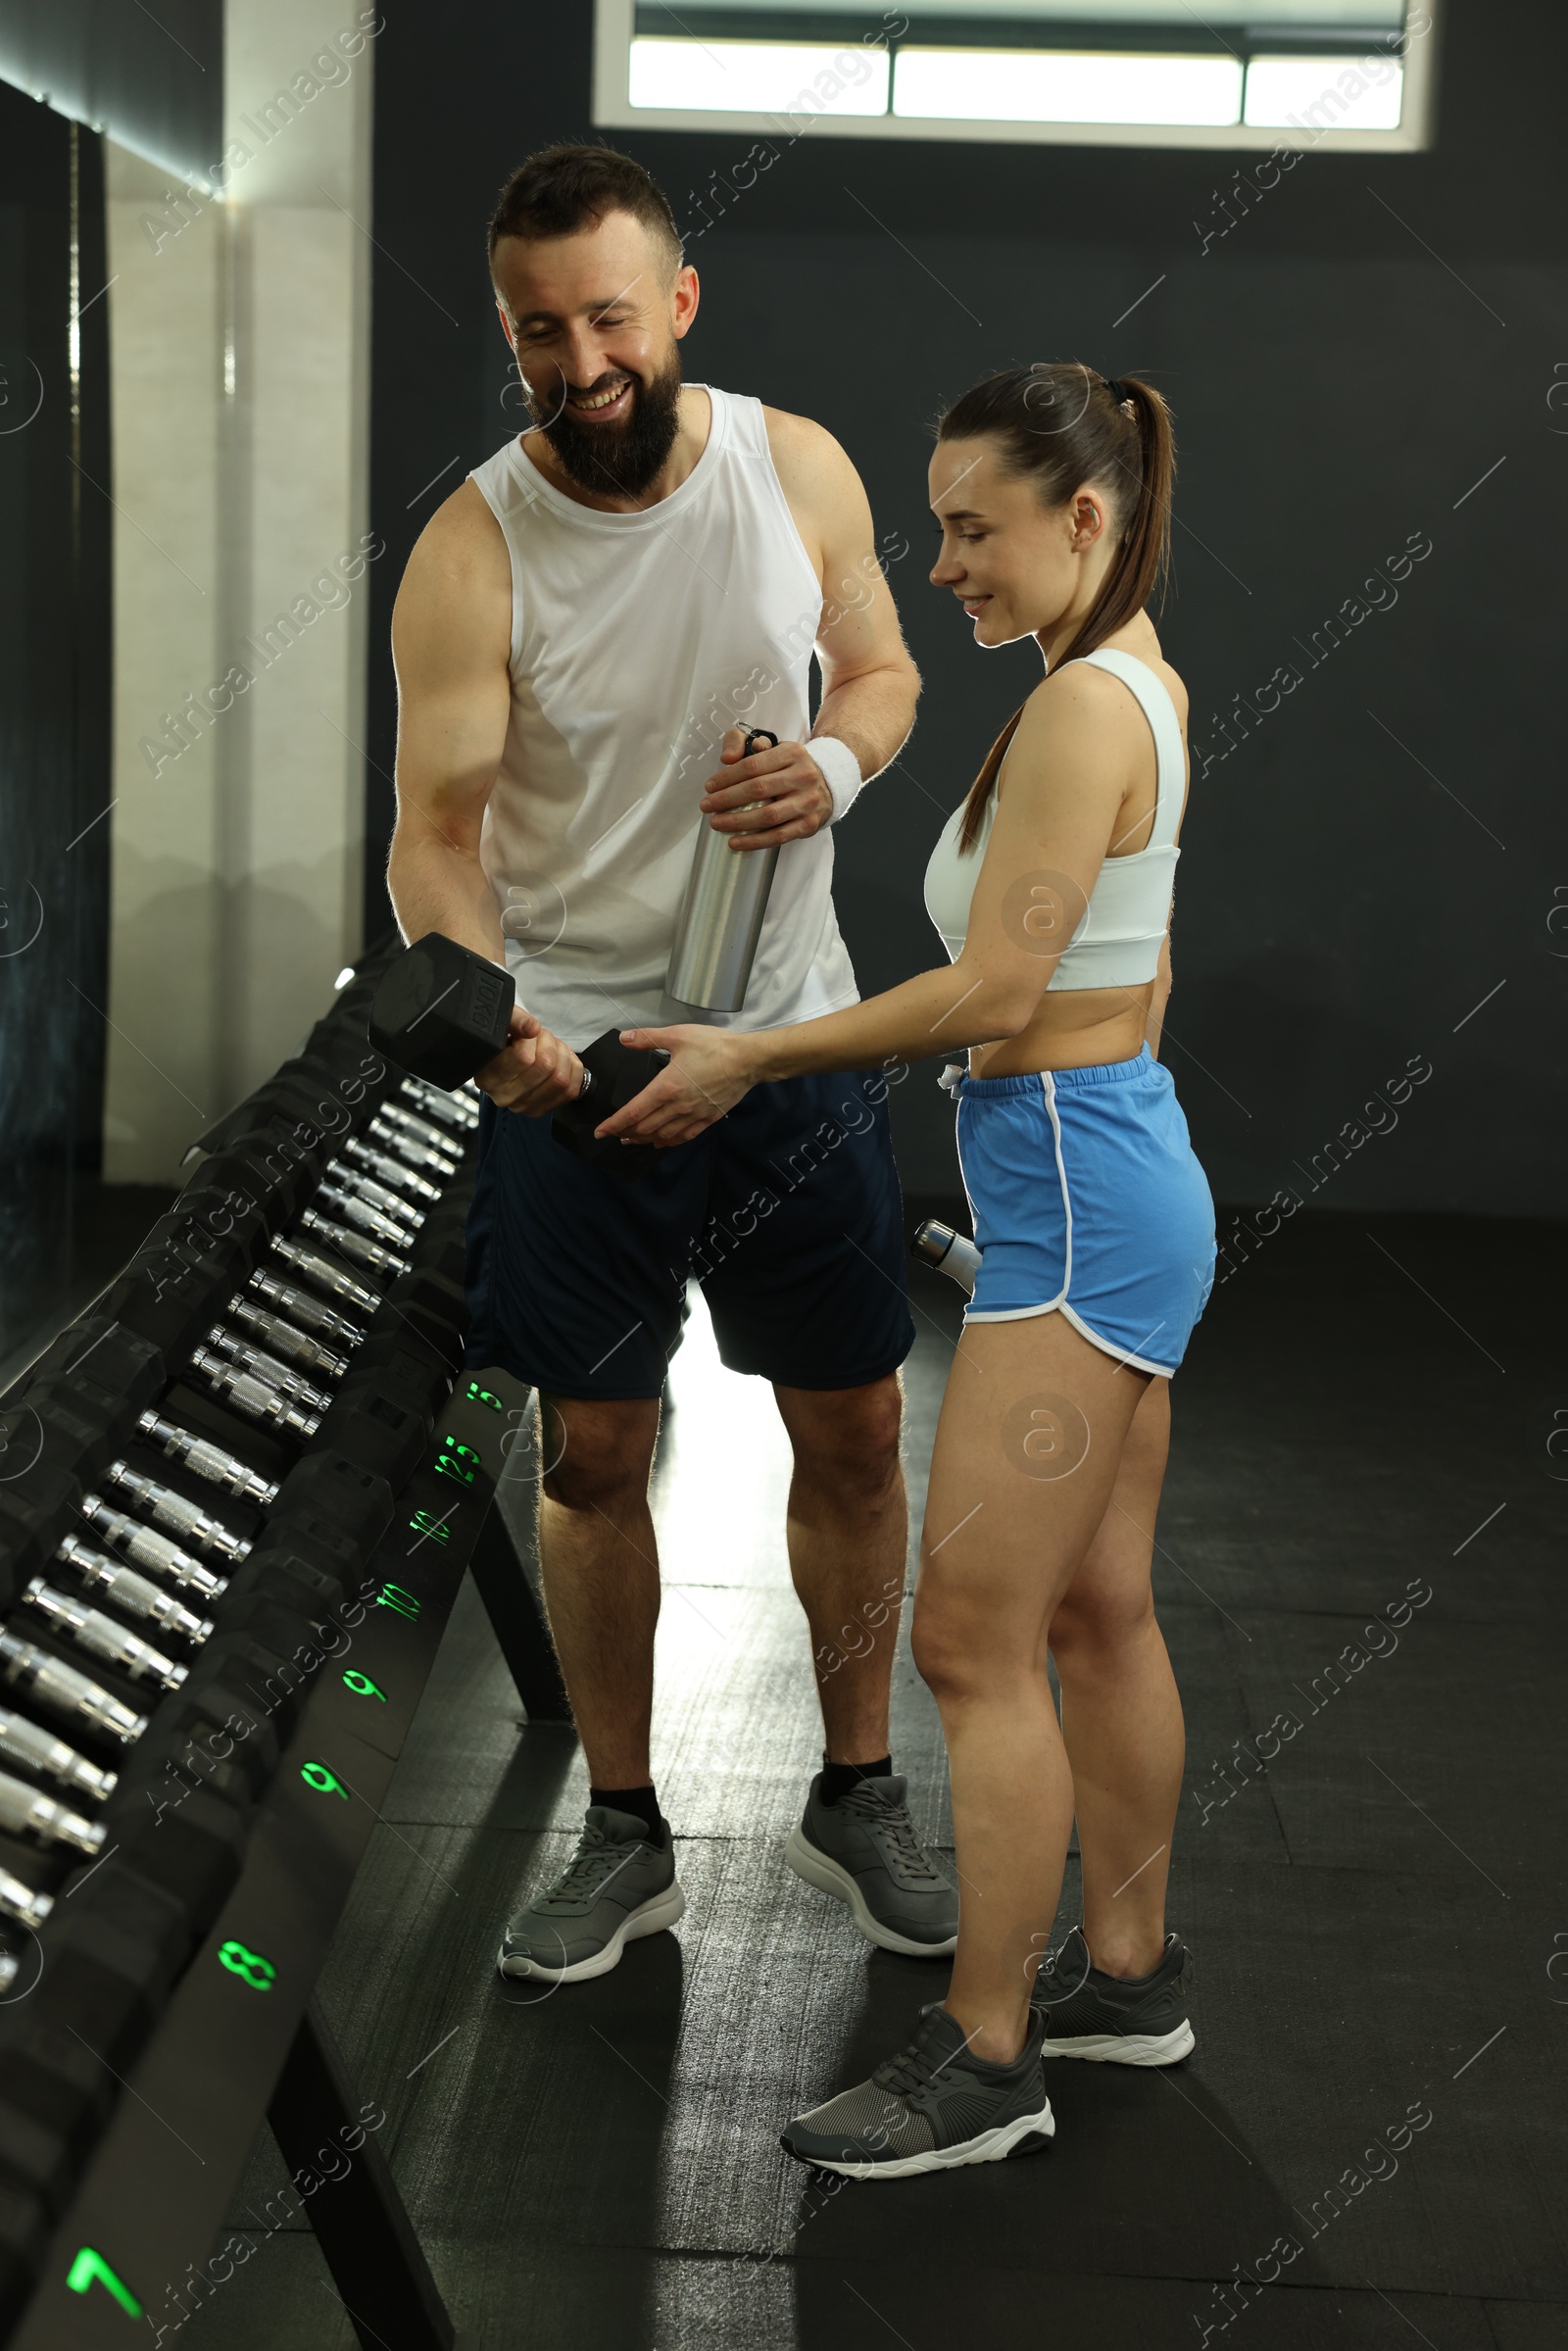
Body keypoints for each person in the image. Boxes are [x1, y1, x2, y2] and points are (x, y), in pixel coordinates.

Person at [600, 362, 1217, 2175]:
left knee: (969, 1638)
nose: (939, 562)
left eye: (971, 527)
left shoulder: (1091, 711)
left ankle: (986, 2052)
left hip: (1082, 1199)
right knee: (1096, 1613)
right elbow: (1116, 983)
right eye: (933, 525)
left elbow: (1000, 996)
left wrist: (747, 1054)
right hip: (1098, 1173)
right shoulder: (1117, 686)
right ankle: (1128, 1970)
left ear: (1081, 519)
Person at [385, 142, 960, 1985]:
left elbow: (882, 673)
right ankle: (624, 1828)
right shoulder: (475, 545)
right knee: (592, 1452)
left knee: (857, 1423)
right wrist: (498, 1023)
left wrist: (842, 766)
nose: (578, 361)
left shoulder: (792, 469)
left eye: (608, 318)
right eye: (539, 332)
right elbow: (438, 835)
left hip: (784, 1033)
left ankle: (856, 1788)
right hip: (584, 1054)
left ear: (680, 304)